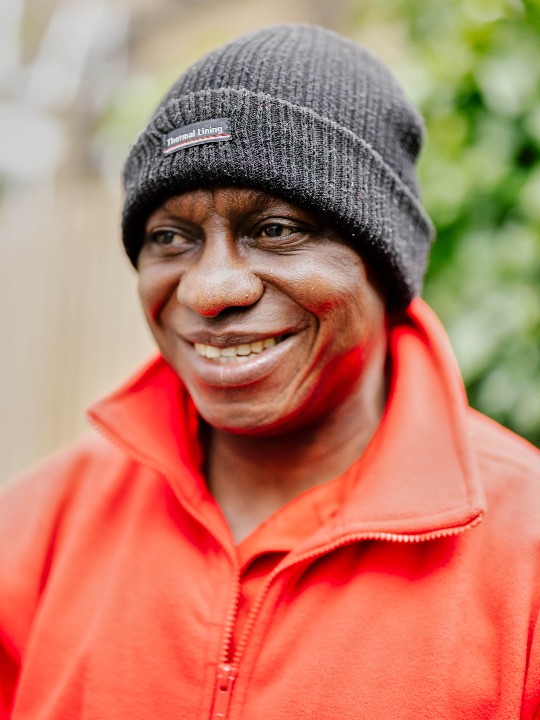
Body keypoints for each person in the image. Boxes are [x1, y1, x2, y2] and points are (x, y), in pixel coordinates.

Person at [1, 23, 539, 720]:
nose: (208, 290)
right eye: (171, 238)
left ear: (385, 263)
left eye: (275, 229)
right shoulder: (38, 528)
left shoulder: (525, 555)